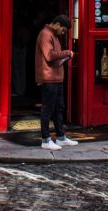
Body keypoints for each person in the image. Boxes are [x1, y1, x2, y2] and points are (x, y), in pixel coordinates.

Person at [35, 14, 77, 151]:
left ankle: (61, 137)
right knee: (48, 109)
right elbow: (50, 55)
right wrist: (66, 53)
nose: (63, 33)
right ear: (57, 24)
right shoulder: (45, 34)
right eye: (63, 30)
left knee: (59, 108)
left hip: (56, 78)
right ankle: (46, 140)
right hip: (48, 78)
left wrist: (64, 56)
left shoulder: (54, 36)